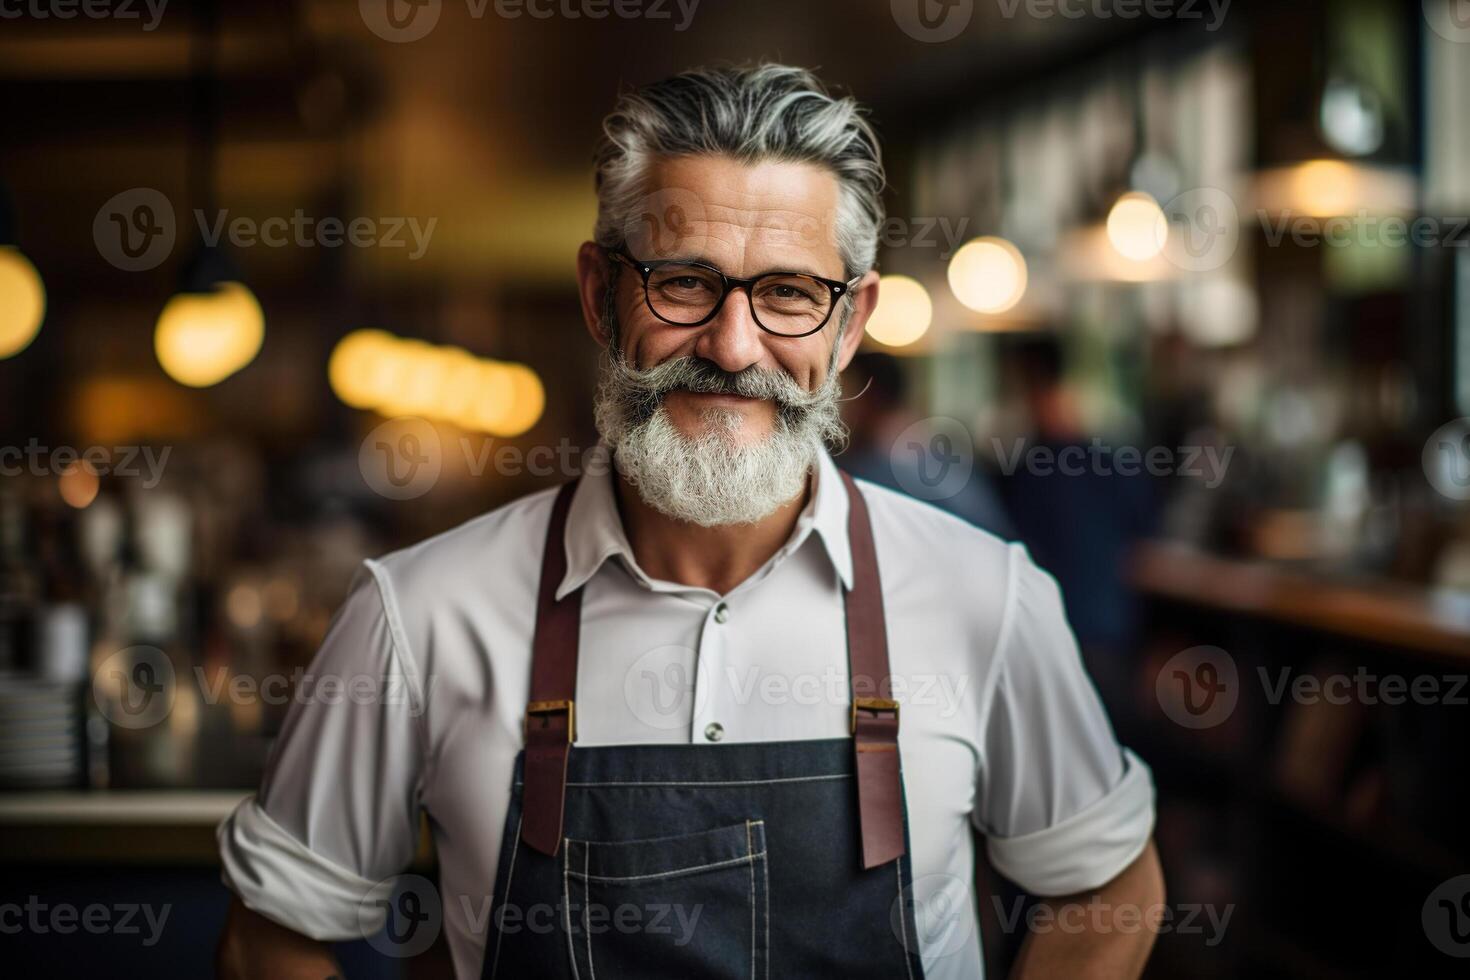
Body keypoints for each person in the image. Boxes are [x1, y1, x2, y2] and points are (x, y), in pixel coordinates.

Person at [216, 64, 1162, 980]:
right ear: (600, 294)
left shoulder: (984, 596)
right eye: (683, 281)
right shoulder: (416, 615)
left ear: (849, 324)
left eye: (790, 292)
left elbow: (1109, 892)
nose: (733, 345)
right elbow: (272, 941)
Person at [839, 350, 1014, 538]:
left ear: (869, 396)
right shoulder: (951, 458)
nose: (837, 408)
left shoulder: (870, 472)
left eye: (843, 393)